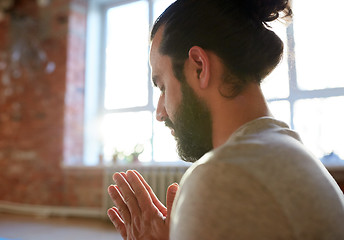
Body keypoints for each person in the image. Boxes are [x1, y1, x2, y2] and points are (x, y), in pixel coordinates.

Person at [107, 0, 344, 239]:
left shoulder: (222, 178)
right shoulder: (291, 151)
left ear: (199, 67)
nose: (160, 112)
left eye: (163, 87)